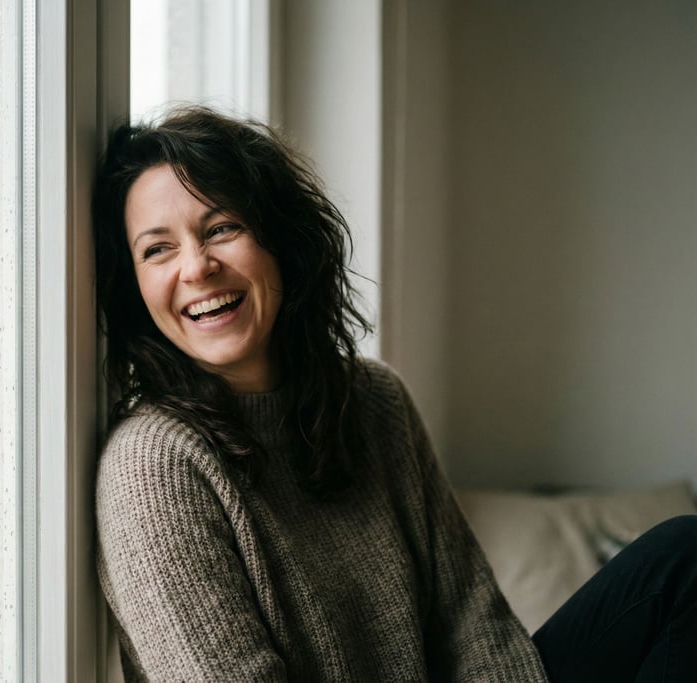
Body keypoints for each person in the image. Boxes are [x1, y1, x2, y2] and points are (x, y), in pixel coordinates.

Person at [92, 106, 696, 681]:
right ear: (136, 291)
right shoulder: (155, 466)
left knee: (683, 558)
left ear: (280, 243)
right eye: (158, 249)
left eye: (222, 227)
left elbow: (473, 620)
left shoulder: (374, 400)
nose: (196, 267)